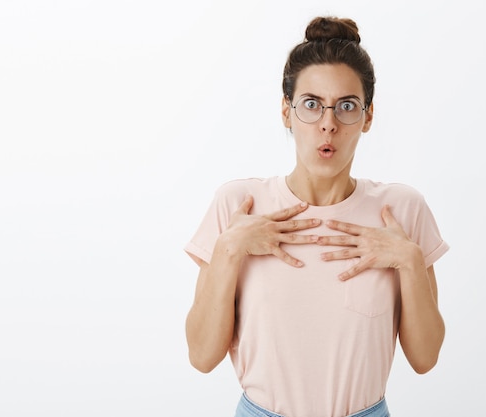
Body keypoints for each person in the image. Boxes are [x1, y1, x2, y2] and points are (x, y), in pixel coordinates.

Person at [184, 16, 448, 417]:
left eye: (346, 106)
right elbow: (201, 357)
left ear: (368, 116)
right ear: (287, 112)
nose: (328, 124)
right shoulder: (239, 205)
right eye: (311, 105)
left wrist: (410, 260)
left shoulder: (401, 210)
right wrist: (228, 249)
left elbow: (425, 358)